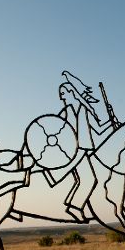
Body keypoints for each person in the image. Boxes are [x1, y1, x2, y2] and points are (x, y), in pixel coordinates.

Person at [43, 72, 117, 221]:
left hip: (83, 150)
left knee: (88, 180)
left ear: (71, 92)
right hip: (74, 151)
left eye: (63, 93)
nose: (61, 97)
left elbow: (99, 129)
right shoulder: (65, 113)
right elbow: (55, 129)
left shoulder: (85, 110)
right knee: (89, 180)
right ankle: (74, 207)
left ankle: (74, 206)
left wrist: (110, 119)